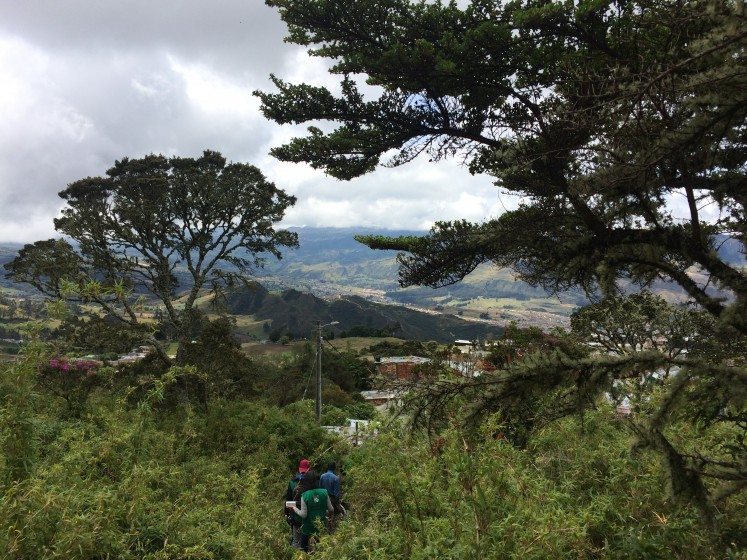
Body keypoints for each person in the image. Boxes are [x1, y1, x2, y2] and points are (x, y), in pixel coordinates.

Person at [291, 469, 333, 553]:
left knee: (304, 551)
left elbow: (303, 514)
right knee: (320, 551)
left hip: (307, 528)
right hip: (320, 527)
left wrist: (294, 508)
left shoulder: (305, 495)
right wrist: (329, 517)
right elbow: (331, 509)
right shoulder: (324, 492)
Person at [285, 458, 310, 549]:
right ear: (308, 469)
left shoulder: (292, 482)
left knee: (296, 541)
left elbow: (287, 501)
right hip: (307, 518)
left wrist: (286, 513)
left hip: (295, 517)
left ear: (299, 469)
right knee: (307, 542)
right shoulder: (311, 482)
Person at [320, 461, 344, 530]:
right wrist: (337, 504)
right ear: (334, 468)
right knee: (338, 514)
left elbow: (320, 489)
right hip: (332, 500)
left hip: (323, 499)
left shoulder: (322, 476)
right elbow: (336, 494)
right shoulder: (335, 478)